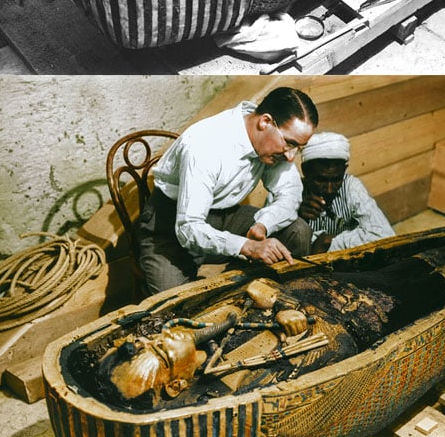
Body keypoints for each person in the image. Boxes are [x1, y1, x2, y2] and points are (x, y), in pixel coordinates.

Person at [134, 87, 318, 294]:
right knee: (174, 305)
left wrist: (264, 224)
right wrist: (246, 246)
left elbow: (290, 193)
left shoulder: (274, 143)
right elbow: (189, 228)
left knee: (298, 231)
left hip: (224, 217)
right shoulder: (205, 144)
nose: (291, 156)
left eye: (298, 148)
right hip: (170, 227)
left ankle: (285, 301)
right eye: (289, 144)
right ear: (264, 122)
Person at [298, 131, 395, 252]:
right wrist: (295, 217)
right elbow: (270, 241)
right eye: (320, 180)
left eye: (336, 179)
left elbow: (385, 236)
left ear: (344, 170)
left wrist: (330, 243)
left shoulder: (351, 187)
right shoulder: (292, 191)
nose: (329, 190)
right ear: (305, 171)